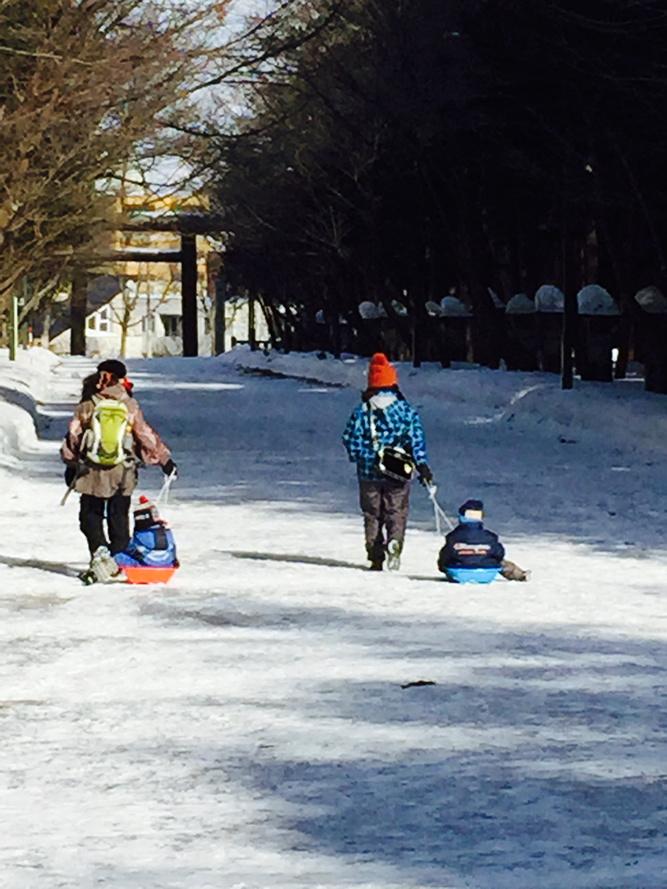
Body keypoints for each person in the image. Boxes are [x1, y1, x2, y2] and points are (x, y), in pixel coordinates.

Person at [61, 359, 177, 572]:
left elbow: (73, 437)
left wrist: (70, 464)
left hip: (90, 471)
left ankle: (100, 553)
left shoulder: (87, 404)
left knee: (90, 515)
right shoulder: (129, 405)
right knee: (118, 517)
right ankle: (120, 559)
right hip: (122, 472)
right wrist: (164, 460)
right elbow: (144, 435)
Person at [343, 352, 432, 571]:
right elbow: (416, 440)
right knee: (396, 511)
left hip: (368, 474)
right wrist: (422, 465)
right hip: (398, 472)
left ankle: (375, 554)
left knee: (372, 514)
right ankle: (395, 542)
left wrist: (362, 458)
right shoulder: (406, 411)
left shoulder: (362, 412)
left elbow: (350, 439)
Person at [437, 499, 529, 583]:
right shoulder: (489, 537)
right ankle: (520, 575)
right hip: (487, 573)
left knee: (449, 558)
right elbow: (499, 554)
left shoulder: (453, 536)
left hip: (460, 573)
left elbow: (446, 555)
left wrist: (443, 566)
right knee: (502, 563)